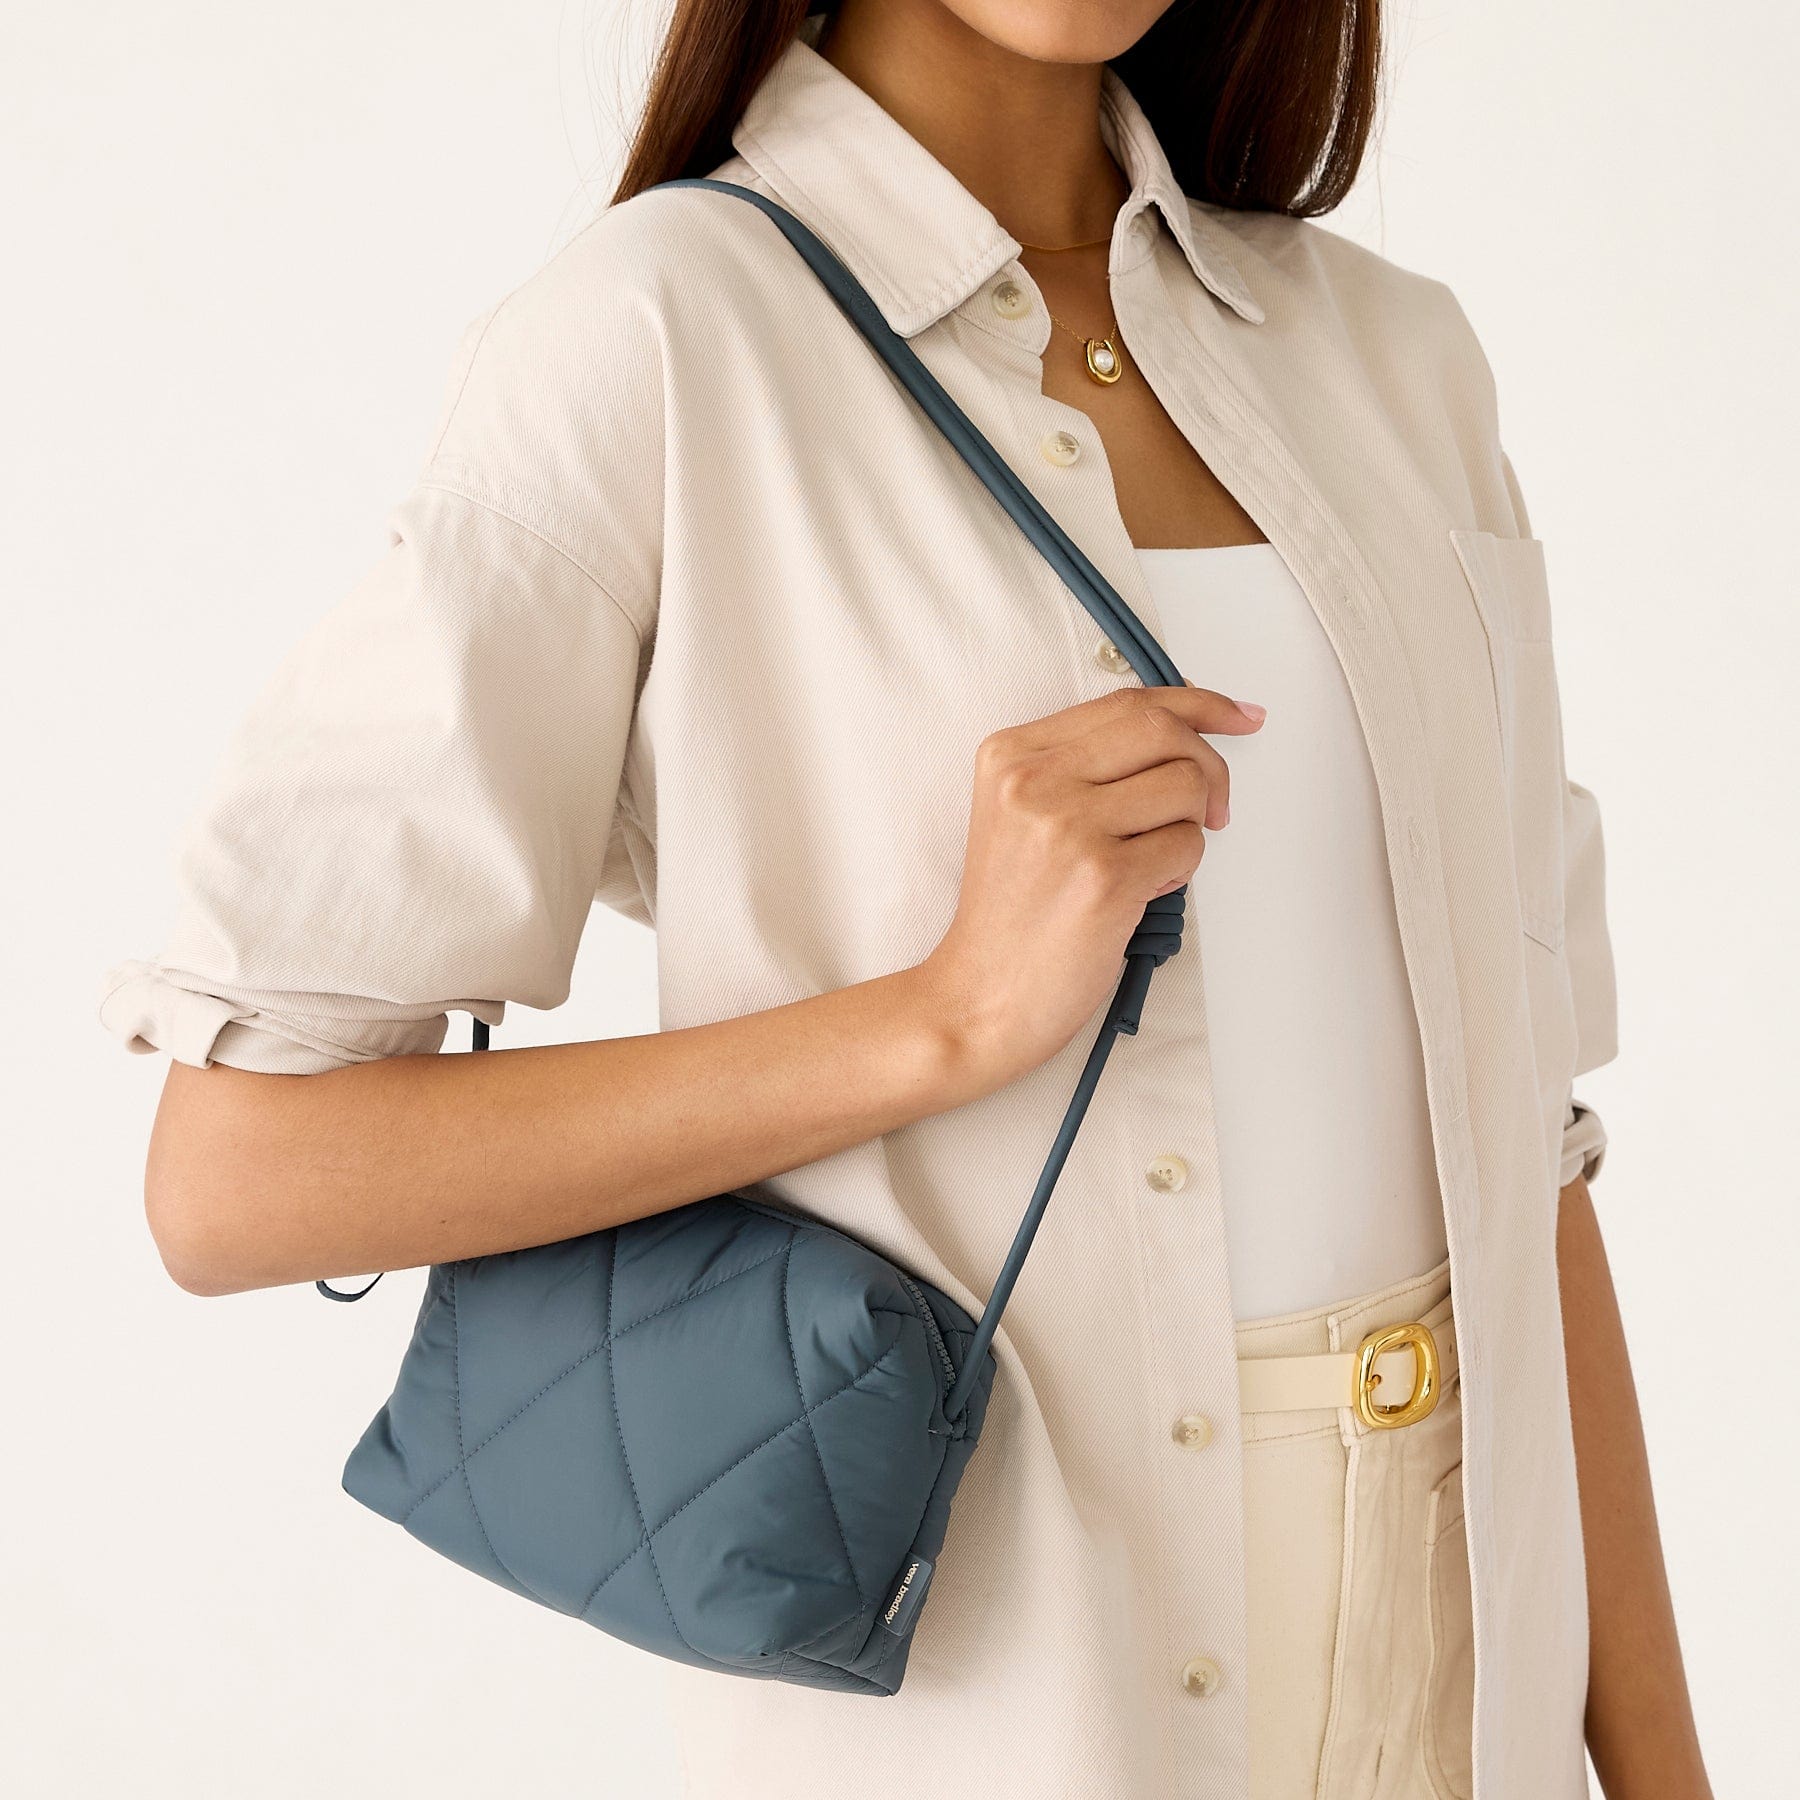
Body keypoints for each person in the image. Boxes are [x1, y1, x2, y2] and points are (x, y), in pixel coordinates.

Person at [98, 1, 1712, 1794]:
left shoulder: (1396, 362)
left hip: (1473, 1669)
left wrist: (1662, 1767)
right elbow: (236, 1179)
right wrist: (937, 1022)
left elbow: (1525, 1158)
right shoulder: (658, 336)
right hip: (1013, 1694)